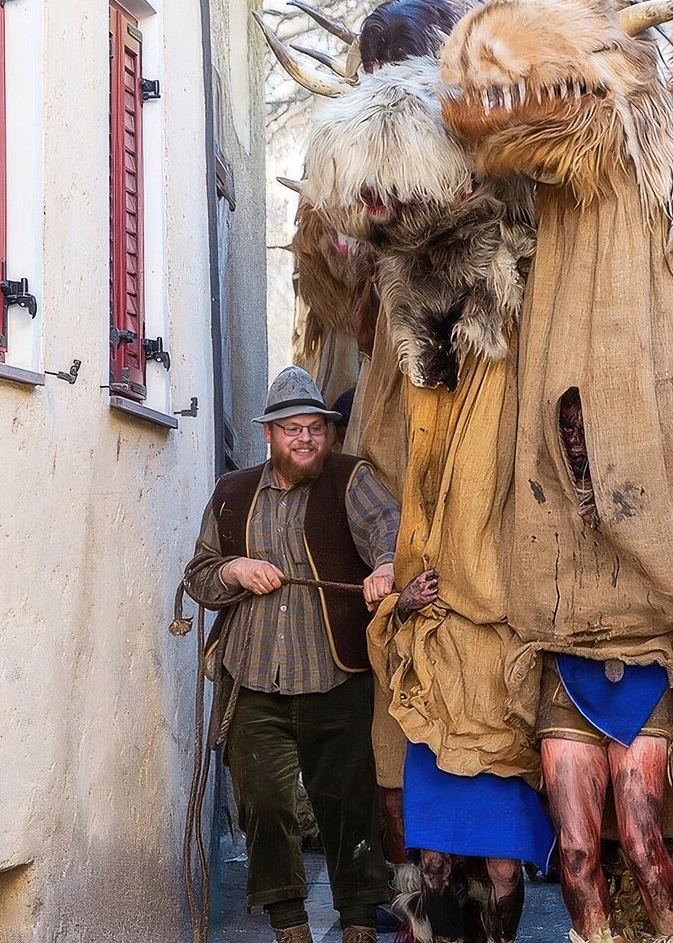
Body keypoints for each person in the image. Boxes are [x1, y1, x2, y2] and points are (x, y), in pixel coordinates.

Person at [182, 366, 403, 943]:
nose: (305, 440)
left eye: (315, 429)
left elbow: (390, 527)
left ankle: (358, 924)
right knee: (266, 805)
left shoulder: (351, 479)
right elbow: (199, 577)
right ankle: (289, 927)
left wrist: (384, 567)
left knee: (350, 805)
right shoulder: (232, 495)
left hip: (336, 675)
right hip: (254, 680)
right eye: (292, 430)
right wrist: (234, 569)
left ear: (328, 433)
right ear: (269, 435)